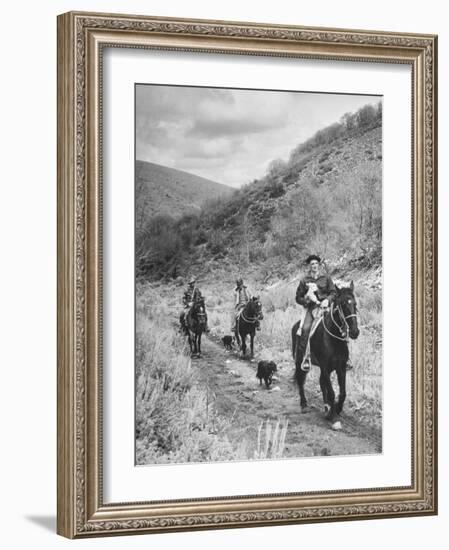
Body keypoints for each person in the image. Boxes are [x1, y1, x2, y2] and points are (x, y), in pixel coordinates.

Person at [295, 255, 336, 371]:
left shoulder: (326, 278)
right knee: (305, 329)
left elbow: (333, 292)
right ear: (309, 266)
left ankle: (344, 358)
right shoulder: (304, 280)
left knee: (340, 325)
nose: (314, 266)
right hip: (311, 308)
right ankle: (306, 357)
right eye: (312, 264)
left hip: (325, 308)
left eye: (316, 263)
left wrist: (328, 300)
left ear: (319, 265)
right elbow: (298, 297)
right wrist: (306, 300)